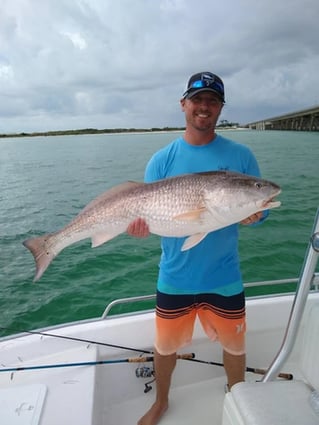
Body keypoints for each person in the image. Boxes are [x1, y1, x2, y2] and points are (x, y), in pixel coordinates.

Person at [127, 71, 266, 425]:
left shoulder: (241, 155)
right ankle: (161, 402)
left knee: (235, 347)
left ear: (220, 108)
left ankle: (239, 397)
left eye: (213, 101)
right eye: (198, 99)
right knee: (165, 348)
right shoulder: (162, 160)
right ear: (184, 104)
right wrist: (140, 227)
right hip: (175, 277)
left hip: (224, 275)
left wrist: (257, 217)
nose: (204, 107)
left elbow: (258, 207)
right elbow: (152, 215)